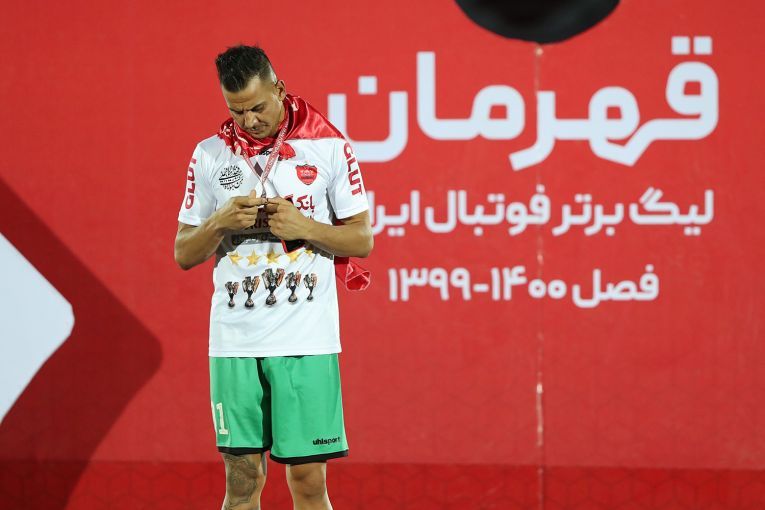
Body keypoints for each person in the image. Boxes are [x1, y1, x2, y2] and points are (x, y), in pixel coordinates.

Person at [174, 44, 372, 510]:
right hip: (234, 342)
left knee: (307, 482)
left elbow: (361, 240)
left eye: (258, 107)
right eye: (236, 111)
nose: (249, 120)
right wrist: (219, 222)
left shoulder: (328, 145)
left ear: (279, 90)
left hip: (306, 340)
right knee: (242, 483)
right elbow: (184, 253)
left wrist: (305, 227)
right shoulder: (209, 155)